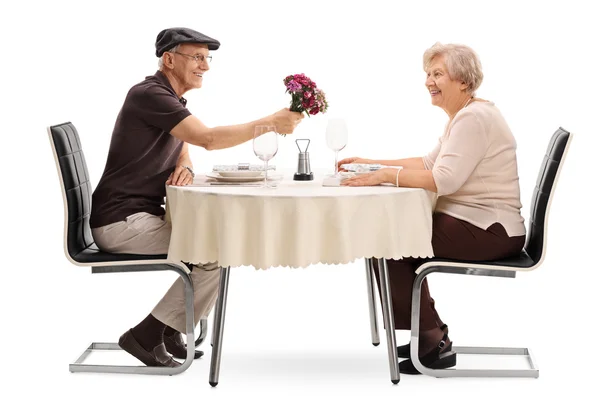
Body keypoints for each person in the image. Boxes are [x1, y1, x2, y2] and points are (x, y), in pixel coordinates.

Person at [90, 27, 304, 367]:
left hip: (132, 216)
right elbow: (206, 138)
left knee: (214, 242)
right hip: (121, 223)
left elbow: (184, 142)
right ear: (169, 59)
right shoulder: (149, 94)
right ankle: (146, 335)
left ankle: (172, 330)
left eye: (207, 58)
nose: (205, 66)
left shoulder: (166, 98)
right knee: (216, 249)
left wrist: (185, 165)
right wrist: (269, 123)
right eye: (197, 57)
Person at [338, 42, 525, 374]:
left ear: (463, 81)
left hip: (490, 230)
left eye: (438, 74)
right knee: (390, 236)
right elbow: (428, 162)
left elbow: (445, 180)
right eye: (427, 74)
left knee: (390, 239)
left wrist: (384, 175)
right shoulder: (465, 115)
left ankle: (431, 340)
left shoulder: (473, 118)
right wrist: (371, 162)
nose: (428, 81)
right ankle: (427, 335)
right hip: (481, 226)